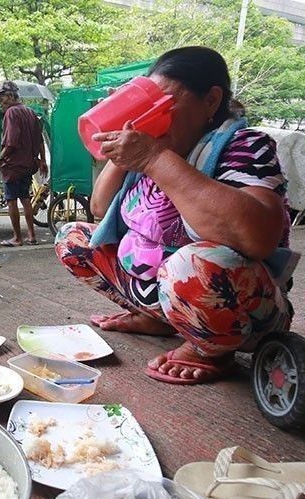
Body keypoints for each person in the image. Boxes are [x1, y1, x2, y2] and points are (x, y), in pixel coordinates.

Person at [55, 46, 296, 385]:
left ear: (211, 101)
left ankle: (209, 348)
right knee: (74, 239)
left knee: (192, 264)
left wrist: (155, 159)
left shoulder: (244, 145)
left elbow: (257, 237)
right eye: (148, 102)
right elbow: (99, 207)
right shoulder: (153, 145)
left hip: (239, 307)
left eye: (166, 102)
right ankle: (160, 318)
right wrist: (126, 144)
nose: (156, 114)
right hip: (164, 291)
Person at [0, 80, 47, 247]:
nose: (0, 103)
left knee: (11, 200)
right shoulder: (30, 113)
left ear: (10, 96)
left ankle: (17, 238)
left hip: (12, 165)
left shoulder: (11, 113)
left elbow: (11, 142)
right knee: (25, 199)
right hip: (28, 164)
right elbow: (40, 139)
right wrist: (42, 160)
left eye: (1, 99)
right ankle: (31, 235)